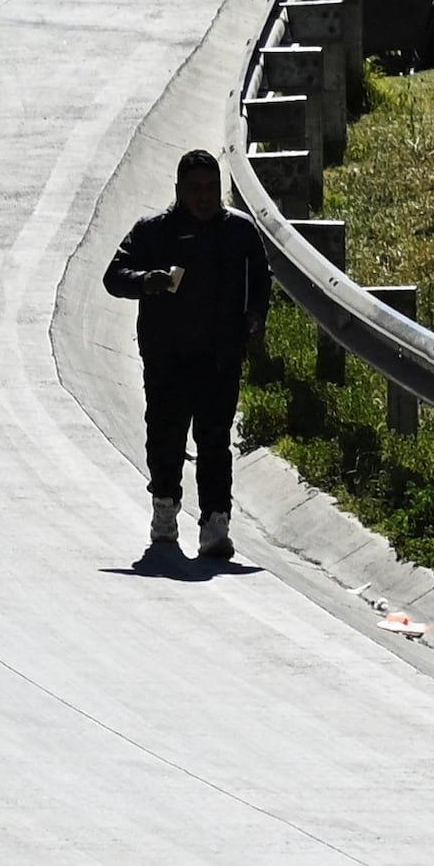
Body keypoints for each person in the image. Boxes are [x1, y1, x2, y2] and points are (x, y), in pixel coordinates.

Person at [104, 149, 274, 566]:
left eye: (211, 188)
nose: (203, 197)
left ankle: (215, 525)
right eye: (194, 189)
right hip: (167, 358)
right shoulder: (153, 233)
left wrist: (255, 320)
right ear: (178, 191)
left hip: (220, 357)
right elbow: (114, 276)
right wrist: (147, 282)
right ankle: (165, 513)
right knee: (165, 437)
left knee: (215, 440)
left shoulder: (239, 232)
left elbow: (261, 282)